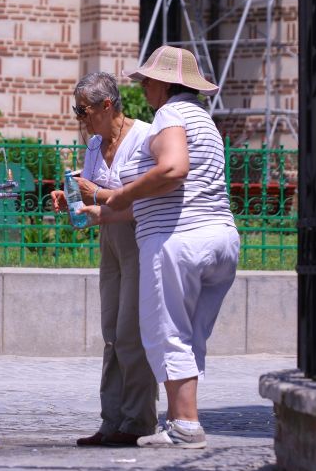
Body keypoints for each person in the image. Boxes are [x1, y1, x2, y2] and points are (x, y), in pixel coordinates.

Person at [83, 46, 239, 449]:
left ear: (165, 83)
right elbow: (176, 189)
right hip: (218, 235)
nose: (145, 87)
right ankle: (183, 420)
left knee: (165, 333)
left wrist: (117, 196)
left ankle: (184, 425)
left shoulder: (170, 114)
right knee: (189, 337)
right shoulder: (203, 119)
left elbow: (172, 169)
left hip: (178, 241)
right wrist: (108, 214)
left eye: (149, 80)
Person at [51, 72, 158, 447]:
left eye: (83, 110)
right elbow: (94, 200)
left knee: (132, 334)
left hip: (140, 237)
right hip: (109, 240)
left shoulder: (145, 138)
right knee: (111, 332)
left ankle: (138, 420)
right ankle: (112, 420)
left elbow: (145, 196)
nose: (80, 118)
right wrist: (73, 200)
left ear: (107, 104)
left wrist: (93, 190)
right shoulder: (95, 145)